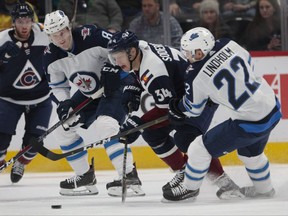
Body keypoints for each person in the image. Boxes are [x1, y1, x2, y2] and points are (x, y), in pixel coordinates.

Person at [105, 30, 244, 201]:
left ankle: (226, 185)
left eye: (119, 56)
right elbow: (144, 77)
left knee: (187, 137)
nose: (116, 62)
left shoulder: (154, 69)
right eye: (114, 57)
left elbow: (165, 109)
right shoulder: (139, 48)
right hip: (181, 96)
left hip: (200, 96)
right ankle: (186, 172)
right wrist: (134, 88)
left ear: (131, 52)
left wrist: (137, 123)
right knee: (153, 133)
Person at [165, 27, 282, 201]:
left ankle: (189, 189)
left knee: (199, 148)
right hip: (272, 108)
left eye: (190, 52)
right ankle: (264, 190)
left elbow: (193, 109)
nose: (187, 57)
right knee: (251, 155)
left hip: (250, 122)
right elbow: (248, 63)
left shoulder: (195, 75)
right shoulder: (230, 44)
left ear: (200, 51)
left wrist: (177, 107)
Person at [42, 10, 144, 197]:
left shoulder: (91, 36)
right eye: (54, 36)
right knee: (61, 128)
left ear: (68, 27)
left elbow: (121, 48)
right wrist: (65, 103)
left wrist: (113, 68)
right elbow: (57, 86)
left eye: (63, 32)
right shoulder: (50, 56)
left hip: (116, 86)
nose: (61, 39)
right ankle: (85, 176)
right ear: (49, 36)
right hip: (89, 93)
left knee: (106, 125)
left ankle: (129, 177)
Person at [0, 3, 52, 183]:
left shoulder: (44, 34)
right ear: (13, 22)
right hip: (8, 99)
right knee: (0, 140)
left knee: (34, 145)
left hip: (41, 99)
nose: (24, 25)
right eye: (20, 21)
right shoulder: (1, 40)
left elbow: (65, 43)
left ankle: (20, 163)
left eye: (28, 20)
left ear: (33, 21)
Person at [57, 0, 123, 32]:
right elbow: (60, 20)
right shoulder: (65, 2)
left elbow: (116, 14)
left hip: (103, 31)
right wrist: (75, 27)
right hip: (78, 35)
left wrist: (113, 28)